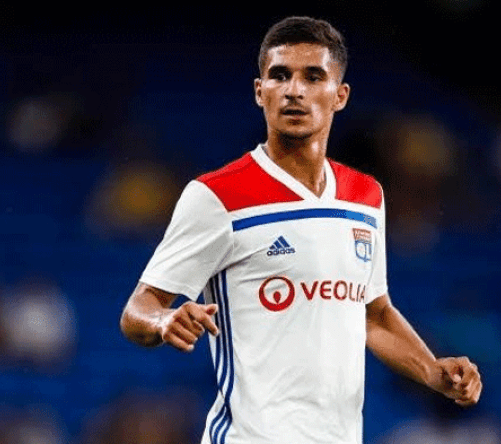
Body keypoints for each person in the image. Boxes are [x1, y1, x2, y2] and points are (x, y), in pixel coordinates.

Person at [119, 16, 482, 444]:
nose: (294, 90)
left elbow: (372, 314)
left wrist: (432, 371)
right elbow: (137, 310)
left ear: (340, 95)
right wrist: (163, 319)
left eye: (313, 77)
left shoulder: (365, 196)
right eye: (280, 76)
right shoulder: (216, 196)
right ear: (260, 92)